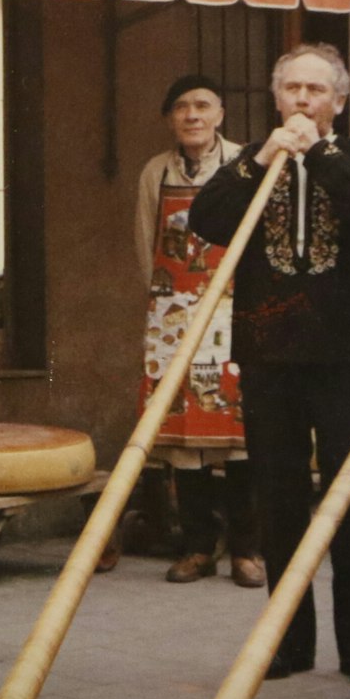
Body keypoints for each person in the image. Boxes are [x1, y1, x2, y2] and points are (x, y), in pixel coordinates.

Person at [188, 44, 350, 692]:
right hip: (269, 356)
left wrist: (318, 153)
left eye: (316, 89)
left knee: (348, 500)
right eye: (292, 89)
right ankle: (288, 642)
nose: (303, 100)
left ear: (339, 100)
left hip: (345, 357)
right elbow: (206, 219)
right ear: (276, 97)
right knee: (278, 502)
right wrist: (260, 159)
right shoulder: (253, 160)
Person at [132, 73, 262, 588]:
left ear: (220, 114)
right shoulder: (155, 172)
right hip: (174, 313)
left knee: (240, 435)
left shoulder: (245, 163)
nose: (192, 115)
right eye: (182, 107)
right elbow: (145, 242)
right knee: (183, 437)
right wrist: (164, 302)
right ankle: (197, 547)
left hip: (234, 310)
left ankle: (247, 550)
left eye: (203, 105)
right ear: (170, 118)